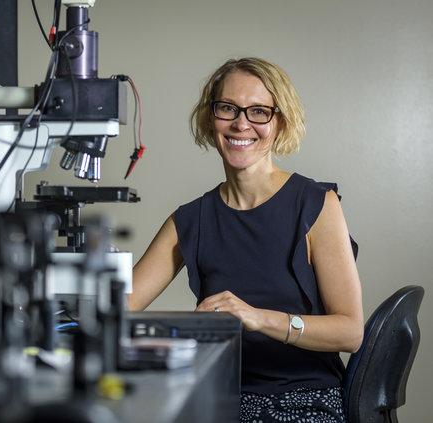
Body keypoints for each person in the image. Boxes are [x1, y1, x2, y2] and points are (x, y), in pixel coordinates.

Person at [128, 57, 364, 423]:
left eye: (259, 111)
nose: (241, 123)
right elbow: (119, 308)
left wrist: (258, 318)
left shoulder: (316, 205)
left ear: (279, 122)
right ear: (211, 117)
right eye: (228, 108)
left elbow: (350, 332)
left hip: (303, 399)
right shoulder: (191, 219)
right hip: (217, 397)